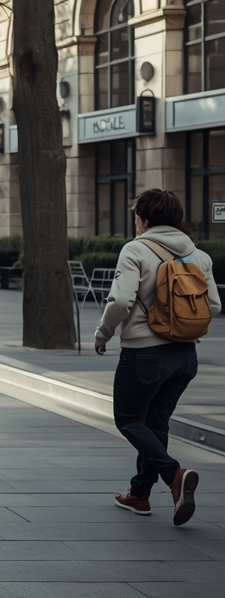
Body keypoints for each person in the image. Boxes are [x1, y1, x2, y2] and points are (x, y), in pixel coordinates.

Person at [95, 189, 219, 526]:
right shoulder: (200, 257)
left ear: (145, 218)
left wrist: (102, 334)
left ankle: (173, 474)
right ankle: (139, 495)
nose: (135, 220)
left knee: (128, 419)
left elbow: (120, 302)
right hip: (184, 356)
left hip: (144, 356)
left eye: (136, 215)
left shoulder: (136, 249)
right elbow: (214, 307)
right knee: (155, 423)